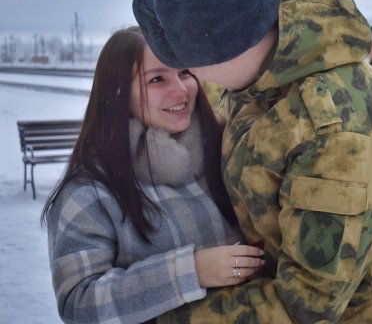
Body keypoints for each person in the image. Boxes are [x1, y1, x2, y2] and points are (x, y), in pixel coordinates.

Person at [133, 0, 372, 323]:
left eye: (189, 68)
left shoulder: (336, 132)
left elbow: (305, 305)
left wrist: (163, 318)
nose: (192, 80)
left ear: (224, 53)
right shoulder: (265, 83)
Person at [42, 27, 265, 323]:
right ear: (118, 91)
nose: (182, 90)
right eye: (157, 79)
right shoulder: (89, 191)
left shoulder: (226, 152)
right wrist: (191, 271)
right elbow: (79, 305)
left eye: (184, 72)